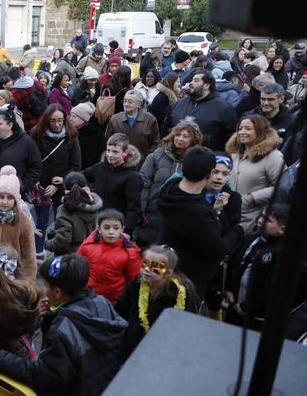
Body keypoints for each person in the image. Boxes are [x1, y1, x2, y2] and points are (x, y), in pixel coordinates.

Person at [0, 254, 126, 396]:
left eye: (46, 286)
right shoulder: (102, 303)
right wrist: (52, 317)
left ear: (57, 292)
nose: (44, 290)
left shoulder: (63, 328)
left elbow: (41, 375)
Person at [157, 146, 244, 303]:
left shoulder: (171, 189)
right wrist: (238, 231)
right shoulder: (197, 211)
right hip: (185, 283)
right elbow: (219, 249)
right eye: (216, 172)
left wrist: (215, 212)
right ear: (209, 173)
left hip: (166, 269)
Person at [115, 245, 198, 359]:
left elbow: (187, 325)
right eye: (145, 263)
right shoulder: (137, 284)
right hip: (131, 348)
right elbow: (121, 311)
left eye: (155, 266)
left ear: (168, 273)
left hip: (163, 351)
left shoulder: (182, 295)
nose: (147, 269)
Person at [136, 119, 203, 247]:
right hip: (152, 214)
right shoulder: (155, 157)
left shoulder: (197, 161)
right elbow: (143, 183)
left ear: (193, 139)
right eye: (178, 135)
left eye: (185, 136)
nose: (180, 139)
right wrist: (141, 211)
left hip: (179, 216)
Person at [28, 104, 81, 252]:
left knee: (61, 222)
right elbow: (31, 161)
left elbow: (76, 166)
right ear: (46, 120)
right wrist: (35, 180)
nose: (57, 124)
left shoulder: (71, 137)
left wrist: (61, 182)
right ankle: (38, 252)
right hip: (41, 186)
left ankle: (58, 254)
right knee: (41, 221)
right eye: (53, 121)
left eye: (60, 120)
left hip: (62, 188)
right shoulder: (36, 135)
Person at [226, 205, 289, 330]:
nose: (260, 220)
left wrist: (248, 306)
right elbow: (235, 263)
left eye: (268, 220)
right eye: (261, 216)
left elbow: (271, 287)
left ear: (282, 230)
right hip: (234, 303)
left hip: (255, 316)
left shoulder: (282, 252)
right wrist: (229, 289)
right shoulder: (252, 238)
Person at [226, 114, 285, 235]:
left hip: (252, 220)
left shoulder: (273, 156)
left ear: (260, 131)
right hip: (229, 215)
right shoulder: (234, 154)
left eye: (248, 128)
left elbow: (283, 186)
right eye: (240, 128)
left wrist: (252, 198)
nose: (242, 132)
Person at [0, 166, 37, 279]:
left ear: (16, 200)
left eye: (10, 198)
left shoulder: (23, 221)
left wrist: (27, 281)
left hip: (13, 273)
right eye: (1, 197)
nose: (5, 202)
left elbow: (28, 254)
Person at [77, 209, 142, 304]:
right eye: (106, 228)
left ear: (122, 229)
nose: (111, 232)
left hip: (114, 302)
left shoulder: (130, 254)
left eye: (116, 228)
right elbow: (77, 268)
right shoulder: (87, 245)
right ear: (99, 229)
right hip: (88, 298)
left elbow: (133, 281)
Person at [82, 133, 142, 235]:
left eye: (115, 152)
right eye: (108, 150)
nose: (110, 155)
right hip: (96, 222)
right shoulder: (100, 167)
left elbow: (133, 208)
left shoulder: (132, 177)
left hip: (115, 227)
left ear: (125, 153)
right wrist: (83, 186)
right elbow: (82, 176)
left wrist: (127, 231)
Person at [164, 70, 237, 151]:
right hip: (175, 156)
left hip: (206, 158)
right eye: (191, 80)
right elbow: (166, 129)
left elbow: (232, 137)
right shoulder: (178, 104)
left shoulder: (223, 107)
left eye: (196, 81)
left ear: (206, 85)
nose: (191, 83)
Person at [46, 172, 103, 255]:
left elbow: (62, 241)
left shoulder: (64, 209)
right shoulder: (93, 206)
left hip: (69, 258)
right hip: (89, 253)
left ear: (65, 188)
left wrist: (48, 244)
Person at [104, 90, 160, 157]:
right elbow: (107, 140)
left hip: (141, 161)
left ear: (139, 104)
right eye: (124, 101)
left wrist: (147, 157)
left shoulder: (150, 119)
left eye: (130, 102)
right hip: (119, 160)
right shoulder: (115, 119)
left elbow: (155, 142)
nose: (126, 104)